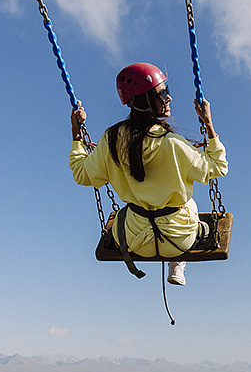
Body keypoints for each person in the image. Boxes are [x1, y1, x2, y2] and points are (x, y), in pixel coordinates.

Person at [69, 63, 227, 286]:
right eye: (163, 93)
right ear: (145, 100)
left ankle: (162, 248)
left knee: (126, 213)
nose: (169, 98)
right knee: (189, 203)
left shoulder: (111, 140)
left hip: (135, 241)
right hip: (178, 241)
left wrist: (77, 135)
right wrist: (209, 125)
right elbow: (218, 167)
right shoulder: (173, 143)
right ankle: (177, 264)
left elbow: (81, 175)